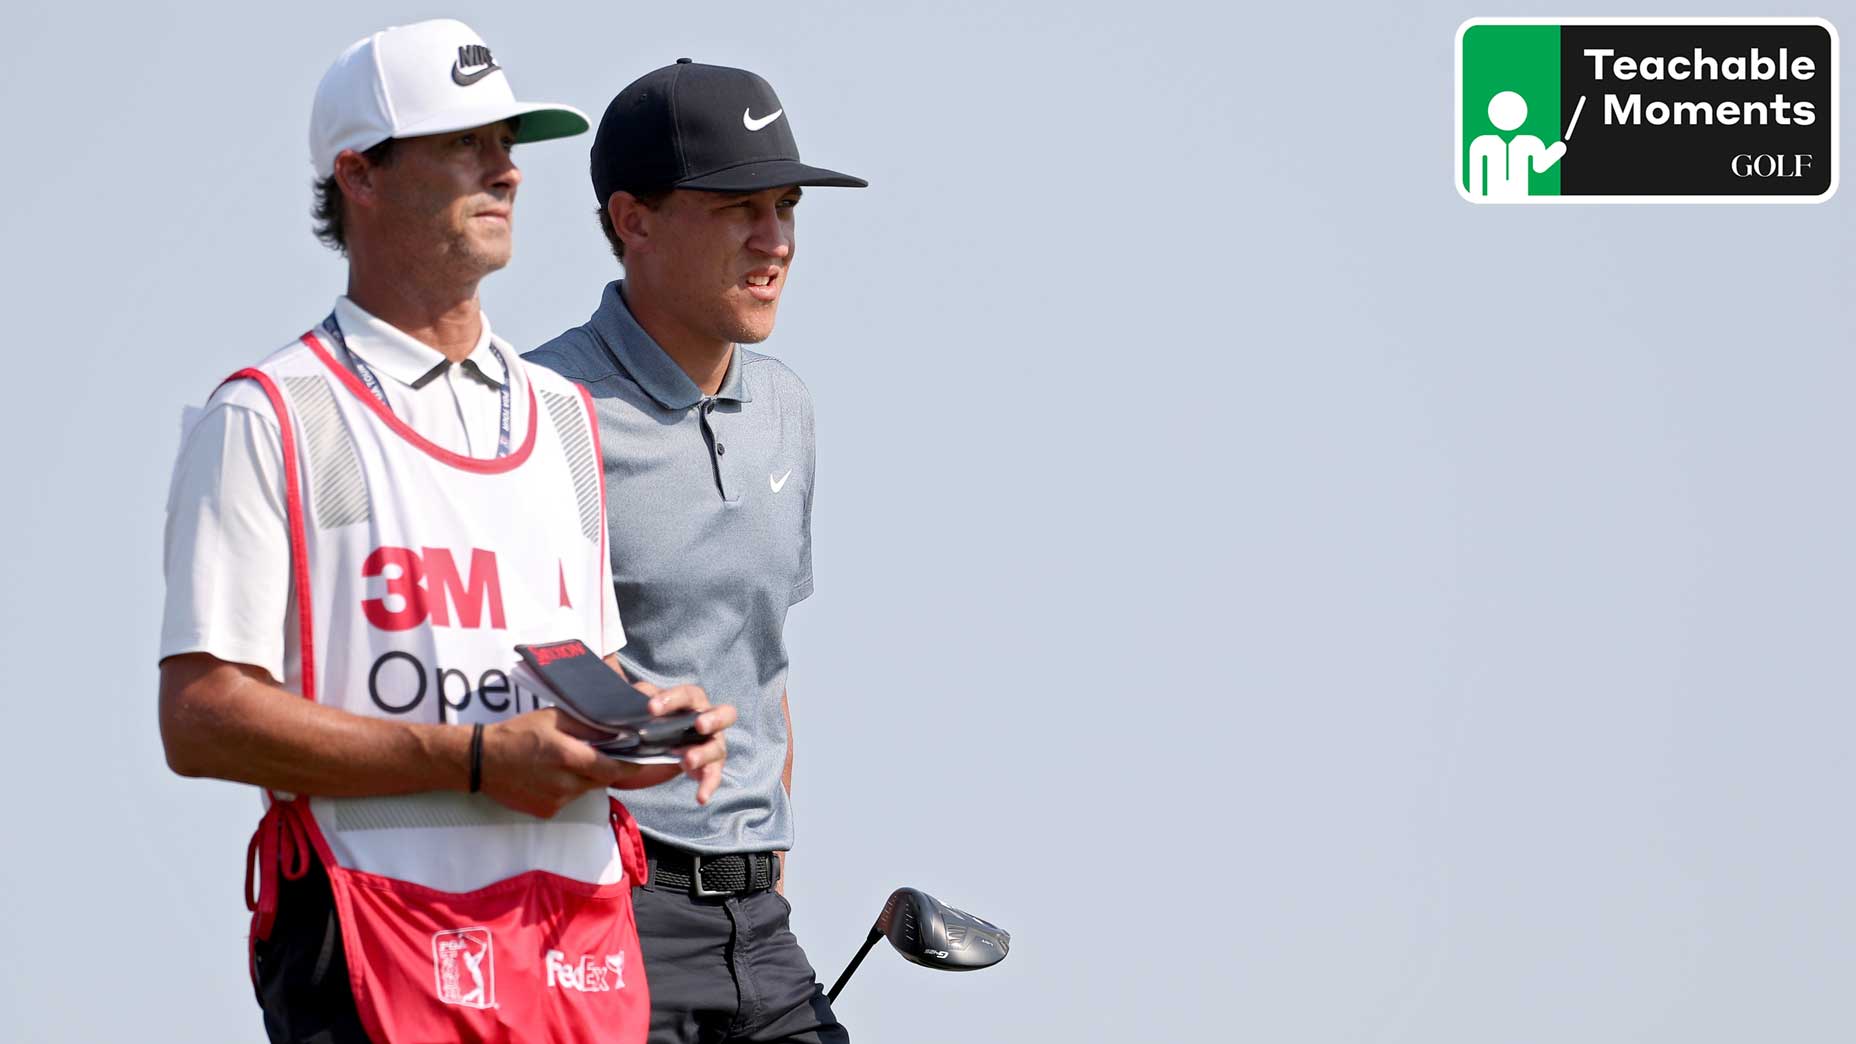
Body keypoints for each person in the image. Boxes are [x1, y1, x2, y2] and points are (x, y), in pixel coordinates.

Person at [157, 22, 735, 1043]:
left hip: (574, 946)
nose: (506, 171)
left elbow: (577, 673)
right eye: (463, 143)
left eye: (507, 143)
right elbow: (201, 717)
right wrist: (470, 759)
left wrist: (646, 724)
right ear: (358, 174)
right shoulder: (269, 413)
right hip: (375, 936)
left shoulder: (563, 415)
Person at [526, 59, 865, 1044]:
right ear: (632, 220)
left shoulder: (786, 407)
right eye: (736, 209)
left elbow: (760, 663)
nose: (776, 240)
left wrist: (771, 872)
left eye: (786, 207)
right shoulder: (540, 410)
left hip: (760, 924)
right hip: (605, 911)